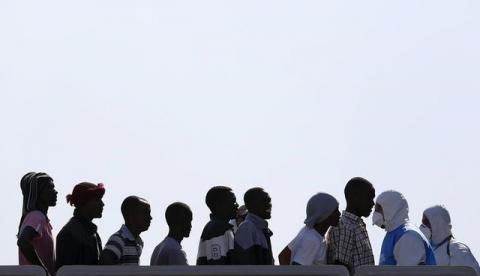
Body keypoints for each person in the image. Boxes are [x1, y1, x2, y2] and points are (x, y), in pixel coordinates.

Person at [287, 177, 374, 272]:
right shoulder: (345, 227)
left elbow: (284, 255)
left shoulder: (314, 236)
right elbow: (340, 268)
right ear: (326, 214)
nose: (372, 203)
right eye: (369, 198)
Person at [373, 190, 436, 265]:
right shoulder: (394, 233)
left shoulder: (408, 237)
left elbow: (409, 272)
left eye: (378, 209)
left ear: (391, 208)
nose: (375, 213)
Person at [55, 182, 105, 271]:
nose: (102, 204)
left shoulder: (92, 232)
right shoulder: (69, 234)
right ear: (84, 202)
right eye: (97, 200)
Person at [282, 193, 340, 265]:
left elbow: (283, 255)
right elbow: (297, 270)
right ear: (325, 214)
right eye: (336, 211)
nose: (339, 213)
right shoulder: (312, 240)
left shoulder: (309, 232)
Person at [17, 172, 58, 276]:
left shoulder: (39, 218)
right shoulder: (37, 216)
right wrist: (43, 271)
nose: (55, 192)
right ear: (38, 193)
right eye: (50, 188)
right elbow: (23, 242)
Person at [421, 205, 479, 274]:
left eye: (426, 222)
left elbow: (472, 273)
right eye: (422, 222)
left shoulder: (457, 249)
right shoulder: (425, 250)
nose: (422, 226)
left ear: (438, 223)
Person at [100, 196, 152, 265]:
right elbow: (105, 260)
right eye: (145, 213)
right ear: (131, 215)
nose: (150, 218)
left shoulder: (138, 242)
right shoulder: (119, 239)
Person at [197, 186, 239, 265]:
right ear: (219, 204)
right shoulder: (217, 229)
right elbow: (217, 268)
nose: (237, 205)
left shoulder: (223, 228)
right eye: (233, 201)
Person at [233, 187, 274, 265]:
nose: (269, 205)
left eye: (269, 201)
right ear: (252, 205)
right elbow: (247, 266)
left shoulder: (262, 229)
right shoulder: (247, 228)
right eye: (264, 201)